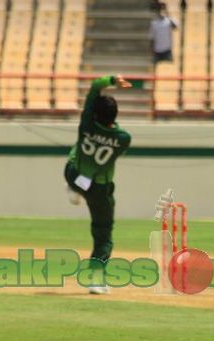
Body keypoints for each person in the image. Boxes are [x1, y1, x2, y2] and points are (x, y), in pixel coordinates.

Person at [64, 75, 132, 295]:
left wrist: (112, 79)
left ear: (94, 114)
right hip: (99, 189)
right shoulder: (123, 137)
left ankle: (74, 187)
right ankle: (96, 279)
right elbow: (113, 133)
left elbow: (94, 87)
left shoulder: (86, 124)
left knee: (77, 152)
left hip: (74, 174)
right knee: (103, 234)